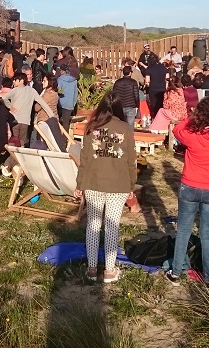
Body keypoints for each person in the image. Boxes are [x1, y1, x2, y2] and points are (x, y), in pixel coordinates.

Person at [165, 96, 209, 286]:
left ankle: (176, 272)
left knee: (183, 231)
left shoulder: (191, 135)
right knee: (208, 234)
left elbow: (176, 129)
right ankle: (208, 277)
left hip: (190, 186)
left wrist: (193, 116)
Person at [74, 92, 137, 284]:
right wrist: (131, 185)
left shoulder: (91, 128)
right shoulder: (125, 128)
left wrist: (79, 184)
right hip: (118, 184)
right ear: (119, 109)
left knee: (93, 224)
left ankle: (92, 268)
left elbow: (84, 160)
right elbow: (130, 161)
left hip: (93, 182)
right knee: (111, 225)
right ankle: (110, 270)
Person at [4, 73, 56, 147]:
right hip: (26, 121)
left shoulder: (15, 90)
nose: (14, 82)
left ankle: (14, 157)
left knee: (14, 142)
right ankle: (22, 157)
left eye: (15, 80)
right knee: (22, 142)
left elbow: (4, 98)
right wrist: (51, 115)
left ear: (21, 81)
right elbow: (42, 103)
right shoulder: (32, 91)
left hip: (15, 120)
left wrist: (10, 106)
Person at [56, 65, 79, 131]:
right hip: (70, 104)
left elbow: (58, 90)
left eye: (60, 70)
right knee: (66, 123)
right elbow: (76, 93)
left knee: (57, 121)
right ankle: (65, 138)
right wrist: (73, 104)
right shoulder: (74, 81)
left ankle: (58, 136)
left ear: (63, 71)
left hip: (61, 103)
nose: (59, 72)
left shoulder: (60, 79)